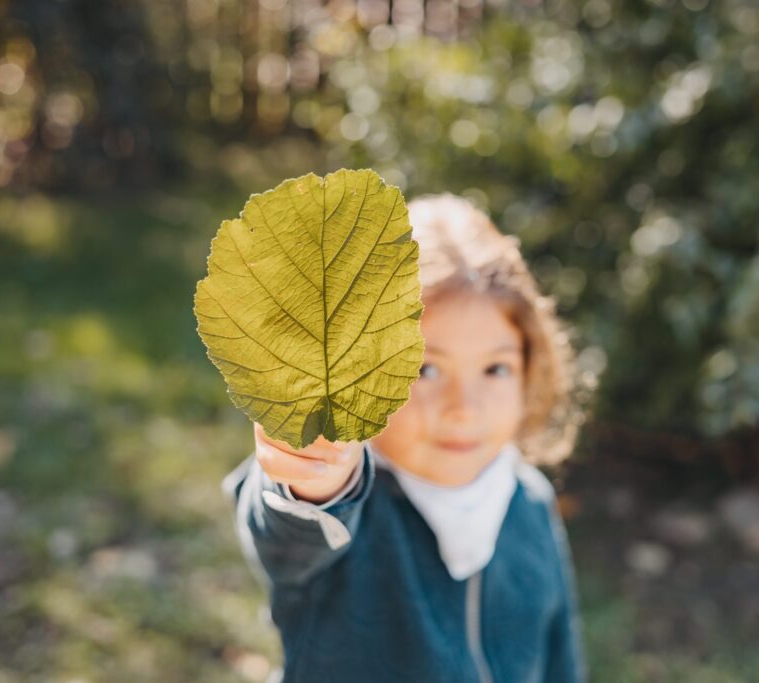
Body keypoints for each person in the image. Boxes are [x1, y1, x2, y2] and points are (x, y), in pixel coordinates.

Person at [221, 193, 588, 682]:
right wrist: (317, 478)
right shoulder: (346, 504)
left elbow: (561, 655)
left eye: (495, 368)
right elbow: (286, 534)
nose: (464, 408)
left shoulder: (528, 501)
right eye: (426, 369)